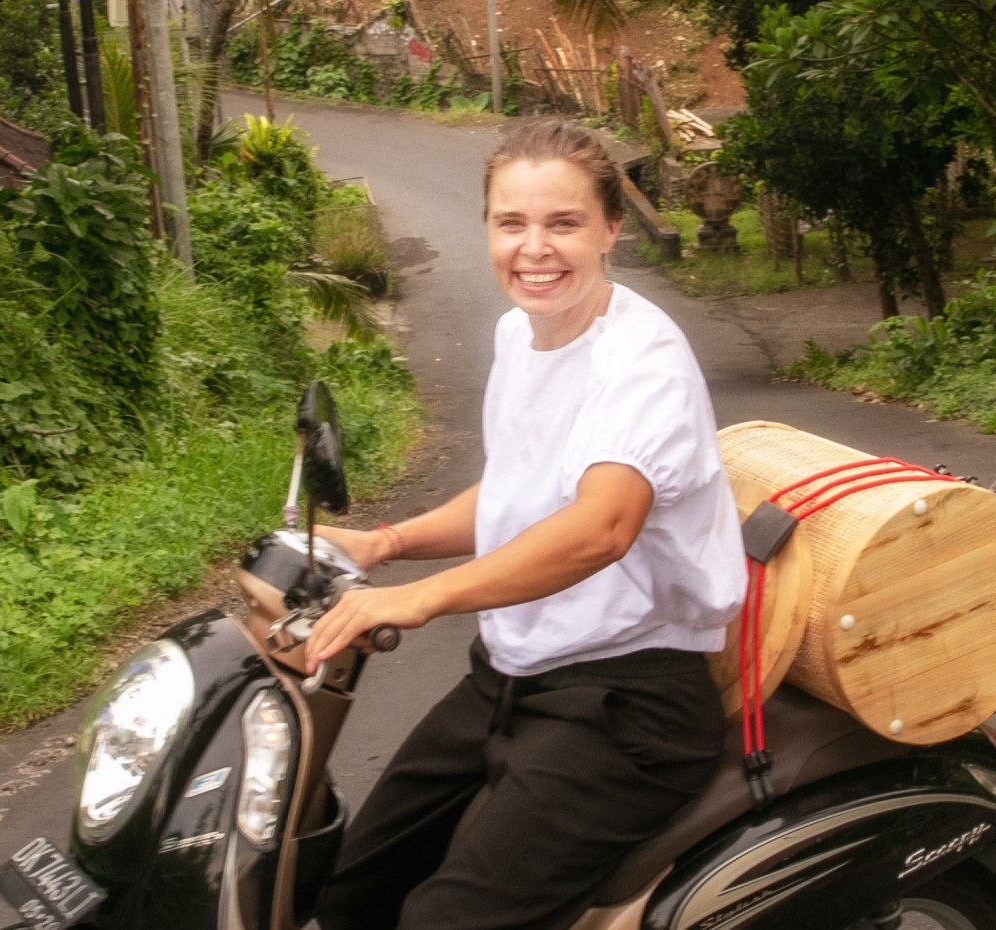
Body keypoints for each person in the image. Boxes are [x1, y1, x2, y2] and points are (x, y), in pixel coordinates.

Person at [305, 119, 747, 930]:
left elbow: (601, 528)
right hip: (510, 675)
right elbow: (520, 490)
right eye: (512, 223)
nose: (534, 249)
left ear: (611, 228)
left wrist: (421, 597)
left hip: (626, 702)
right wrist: (386, 543)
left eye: (563, 223)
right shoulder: (521, 335)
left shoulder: (641, 362)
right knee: (350, 894)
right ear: (487, 228)